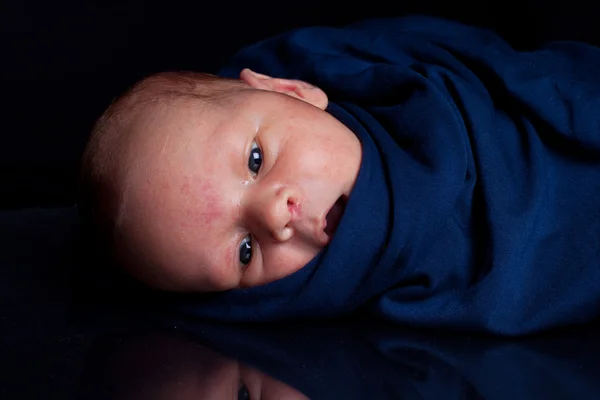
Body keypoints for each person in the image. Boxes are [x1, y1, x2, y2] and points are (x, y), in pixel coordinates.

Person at [80, 15, 600, 335]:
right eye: (245, 251)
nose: (273, 216)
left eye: (256, 161)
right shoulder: (353, 294)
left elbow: (519, 73)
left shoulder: (412, 90)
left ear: (293, 91)